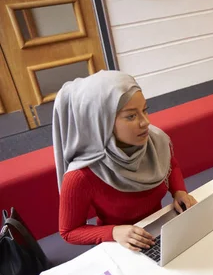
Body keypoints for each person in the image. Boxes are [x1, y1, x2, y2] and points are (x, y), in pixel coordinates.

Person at [53, 70, 197, 250]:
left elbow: (171, 165)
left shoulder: (156, 141)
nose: (145, 122)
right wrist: (114, 232)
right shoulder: (81, 175)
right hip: (119, 244)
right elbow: (69, 231)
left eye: (145, 110)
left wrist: (179, 192)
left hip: (159, 229)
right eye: (131, 116)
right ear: (101, 122)